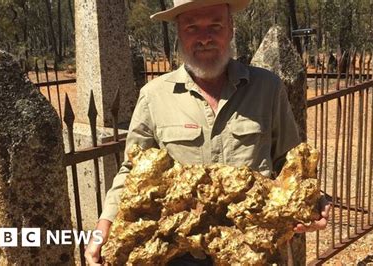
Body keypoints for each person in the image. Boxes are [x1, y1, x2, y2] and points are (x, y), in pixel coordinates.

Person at [85, 1, 330, 264]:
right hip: (180, 252)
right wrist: (104, 223)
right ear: (179, 33)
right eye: (192, 28)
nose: (204, 38)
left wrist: (315, 199)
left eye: (215, 26)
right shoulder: (154, 97)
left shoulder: (267, 88)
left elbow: (290, 163)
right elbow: (133, 172)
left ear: (231, 29)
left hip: (252, 250)